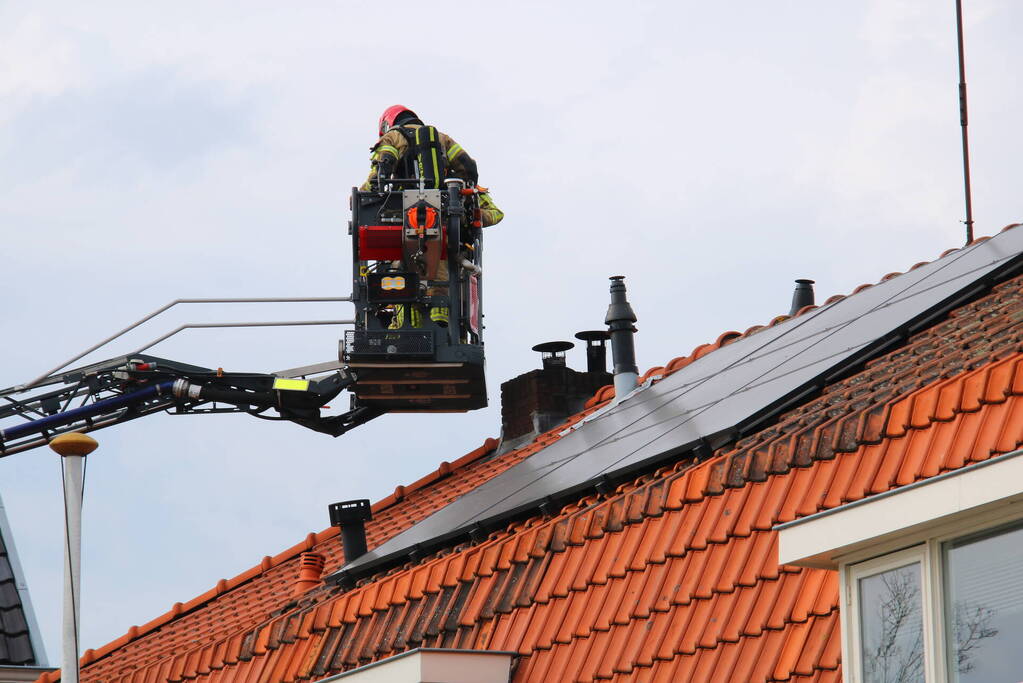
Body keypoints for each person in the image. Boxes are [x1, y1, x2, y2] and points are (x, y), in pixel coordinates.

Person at [361, 106, 502, 328]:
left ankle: (408, 325)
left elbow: (379, 171)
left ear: (387, 124)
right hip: (443, 216)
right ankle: (439, 317)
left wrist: (362, 198)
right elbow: (468, 166)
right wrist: (462, 204)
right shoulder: (442, 138)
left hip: (402, 218)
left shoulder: (392, 137)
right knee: (441, 260)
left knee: (401, 272)